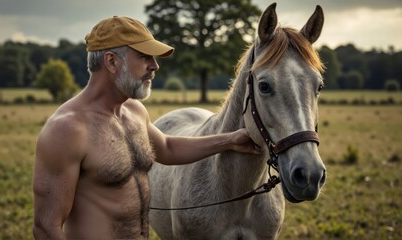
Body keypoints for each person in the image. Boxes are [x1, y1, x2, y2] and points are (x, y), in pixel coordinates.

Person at [32, 16, 260, 239]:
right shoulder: (68, 129)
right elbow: (46, 227)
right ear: (111, 62)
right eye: (144, 57)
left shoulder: (134, 111)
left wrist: (230, 140)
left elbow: (167, 148)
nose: (155, 66)